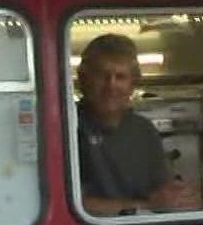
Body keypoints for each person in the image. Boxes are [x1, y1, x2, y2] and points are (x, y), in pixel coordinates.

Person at [74, 33, 190, 215]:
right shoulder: (66, 127)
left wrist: (177, 196)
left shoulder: (144, 131)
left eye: (120, 77)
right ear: (83, 80)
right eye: (101, 75)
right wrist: (143, 205)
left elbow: (163, 192)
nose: (111, 85)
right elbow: (68, 205)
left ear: (132, 84)